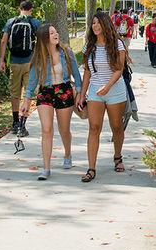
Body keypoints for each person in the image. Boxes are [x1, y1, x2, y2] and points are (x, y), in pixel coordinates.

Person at [20, 23, 81, 180]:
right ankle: (46, 168)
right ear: (45, 38)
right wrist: (26, 100)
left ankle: (67, 155)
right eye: (52, 33)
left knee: (64, 129)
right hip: (45, 92)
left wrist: (80, 92)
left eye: (56, 31)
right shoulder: (39, 56)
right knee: (46, 130)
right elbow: (32, 80)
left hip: (64, 91)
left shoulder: (66, 52)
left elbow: (76, 73)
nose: (56, 35)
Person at [76, 12, 128, 183]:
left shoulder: (117, 44)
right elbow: (87, 72)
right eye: (93, 23)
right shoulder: (89, 46)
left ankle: (118, 157)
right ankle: (91, 168)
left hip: (114, 90)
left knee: (116, 127)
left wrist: (107, 87)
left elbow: (119, 69)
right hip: (95, 92)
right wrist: (82, 95)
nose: (95, 26)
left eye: (98, 23)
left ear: (105, 24)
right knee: (94, 127)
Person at [0, 0, 41, 136]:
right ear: (31, 9)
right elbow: (42, 41)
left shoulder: (11, 22)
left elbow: (4, 41)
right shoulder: (35, 23)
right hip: (30, 63)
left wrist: (2, 60)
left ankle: (15, 122)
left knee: (15, 93)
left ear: (19, 9)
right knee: (27, 93)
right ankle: (22, 125)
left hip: (14, 63)